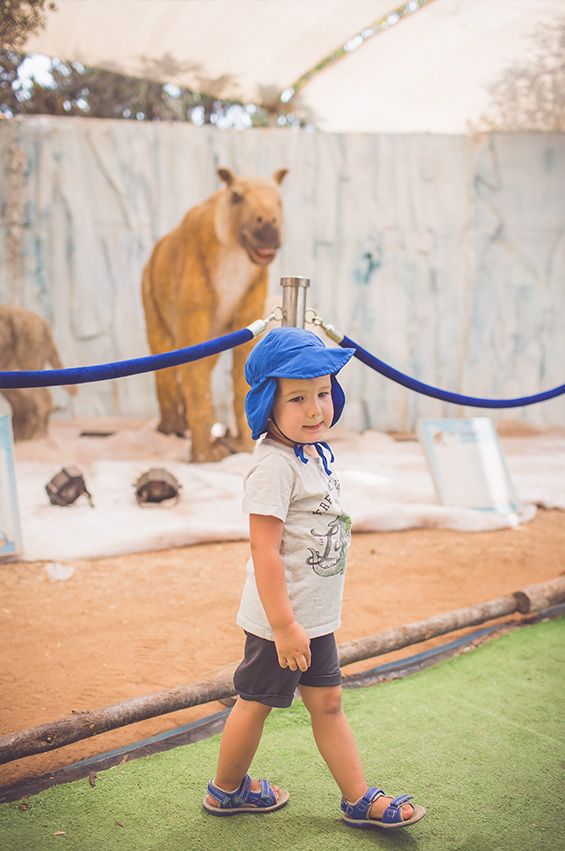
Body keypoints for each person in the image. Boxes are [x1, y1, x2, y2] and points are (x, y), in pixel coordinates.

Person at [203, 326, 426, 830]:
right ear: (267, 405)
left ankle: (357, 798)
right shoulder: (275, 467)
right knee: (256, 702)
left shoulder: (313, 453)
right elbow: (263, 550)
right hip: (279, 623)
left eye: (322, 394)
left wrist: (306, 620)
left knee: (327, 702)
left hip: (314, 617)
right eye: (298, 398)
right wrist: (283, 626)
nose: (315, 409)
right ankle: (226, 790)